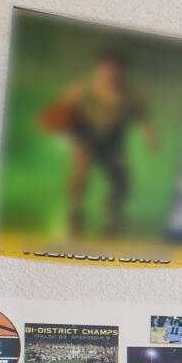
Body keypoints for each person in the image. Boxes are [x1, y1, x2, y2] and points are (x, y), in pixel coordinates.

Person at [37, 50, 160, 240]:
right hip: (84, 137)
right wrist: (58, 129)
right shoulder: (82, 88)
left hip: (112, 142)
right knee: (81, 168)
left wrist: (150, 134)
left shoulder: (130, 96)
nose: (110, 74)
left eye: (115, 70)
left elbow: (142, 117)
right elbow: (60, 109)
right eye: (106, 69)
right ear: (97, 69)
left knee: (121, 181)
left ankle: (113, 212)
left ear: (123, 72)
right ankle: (74, 209)